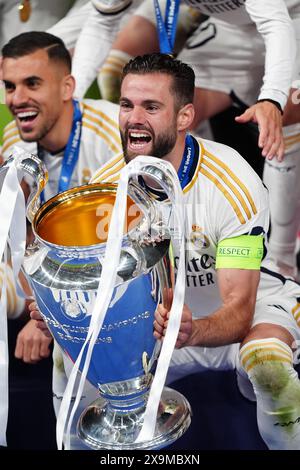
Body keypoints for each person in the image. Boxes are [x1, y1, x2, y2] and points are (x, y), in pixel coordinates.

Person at [67, 53, 300, 450]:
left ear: (184, 117)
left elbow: (240, 310)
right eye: (126, 105)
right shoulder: (105, 189)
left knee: (269, 366)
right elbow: (95, 288)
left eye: (151, 107)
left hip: (242, 314)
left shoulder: (232, 182)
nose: (133, 118)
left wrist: (192, 329)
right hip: (158, 325)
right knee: (69, 360)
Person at [1, 31, 123, 414]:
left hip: (109, 288)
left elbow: (128, 253)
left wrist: (46, 321)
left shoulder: (112, 138)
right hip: (42, 280)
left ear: (68, 86)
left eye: (32, 83)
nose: (17, 99)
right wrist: (40, 305)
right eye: (9, 86)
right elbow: (20, 241)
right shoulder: (12, 143)